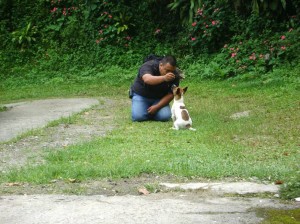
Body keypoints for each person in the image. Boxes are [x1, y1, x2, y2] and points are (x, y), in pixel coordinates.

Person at [130, 55, 181, 122]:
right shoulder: (148, 65)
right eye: (167, 70)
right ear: (161, 65)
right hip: (141, 95)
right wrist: (164, 78)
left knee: (164, 117)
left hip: (159, 98)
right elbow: (147, 79)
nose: (170, 73)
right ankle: (145, 110)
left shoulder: (175, 74)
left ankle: (150, 111)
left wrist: (157, 107)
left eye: (172, 71)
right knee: (138, 117)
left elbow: (171, 94)